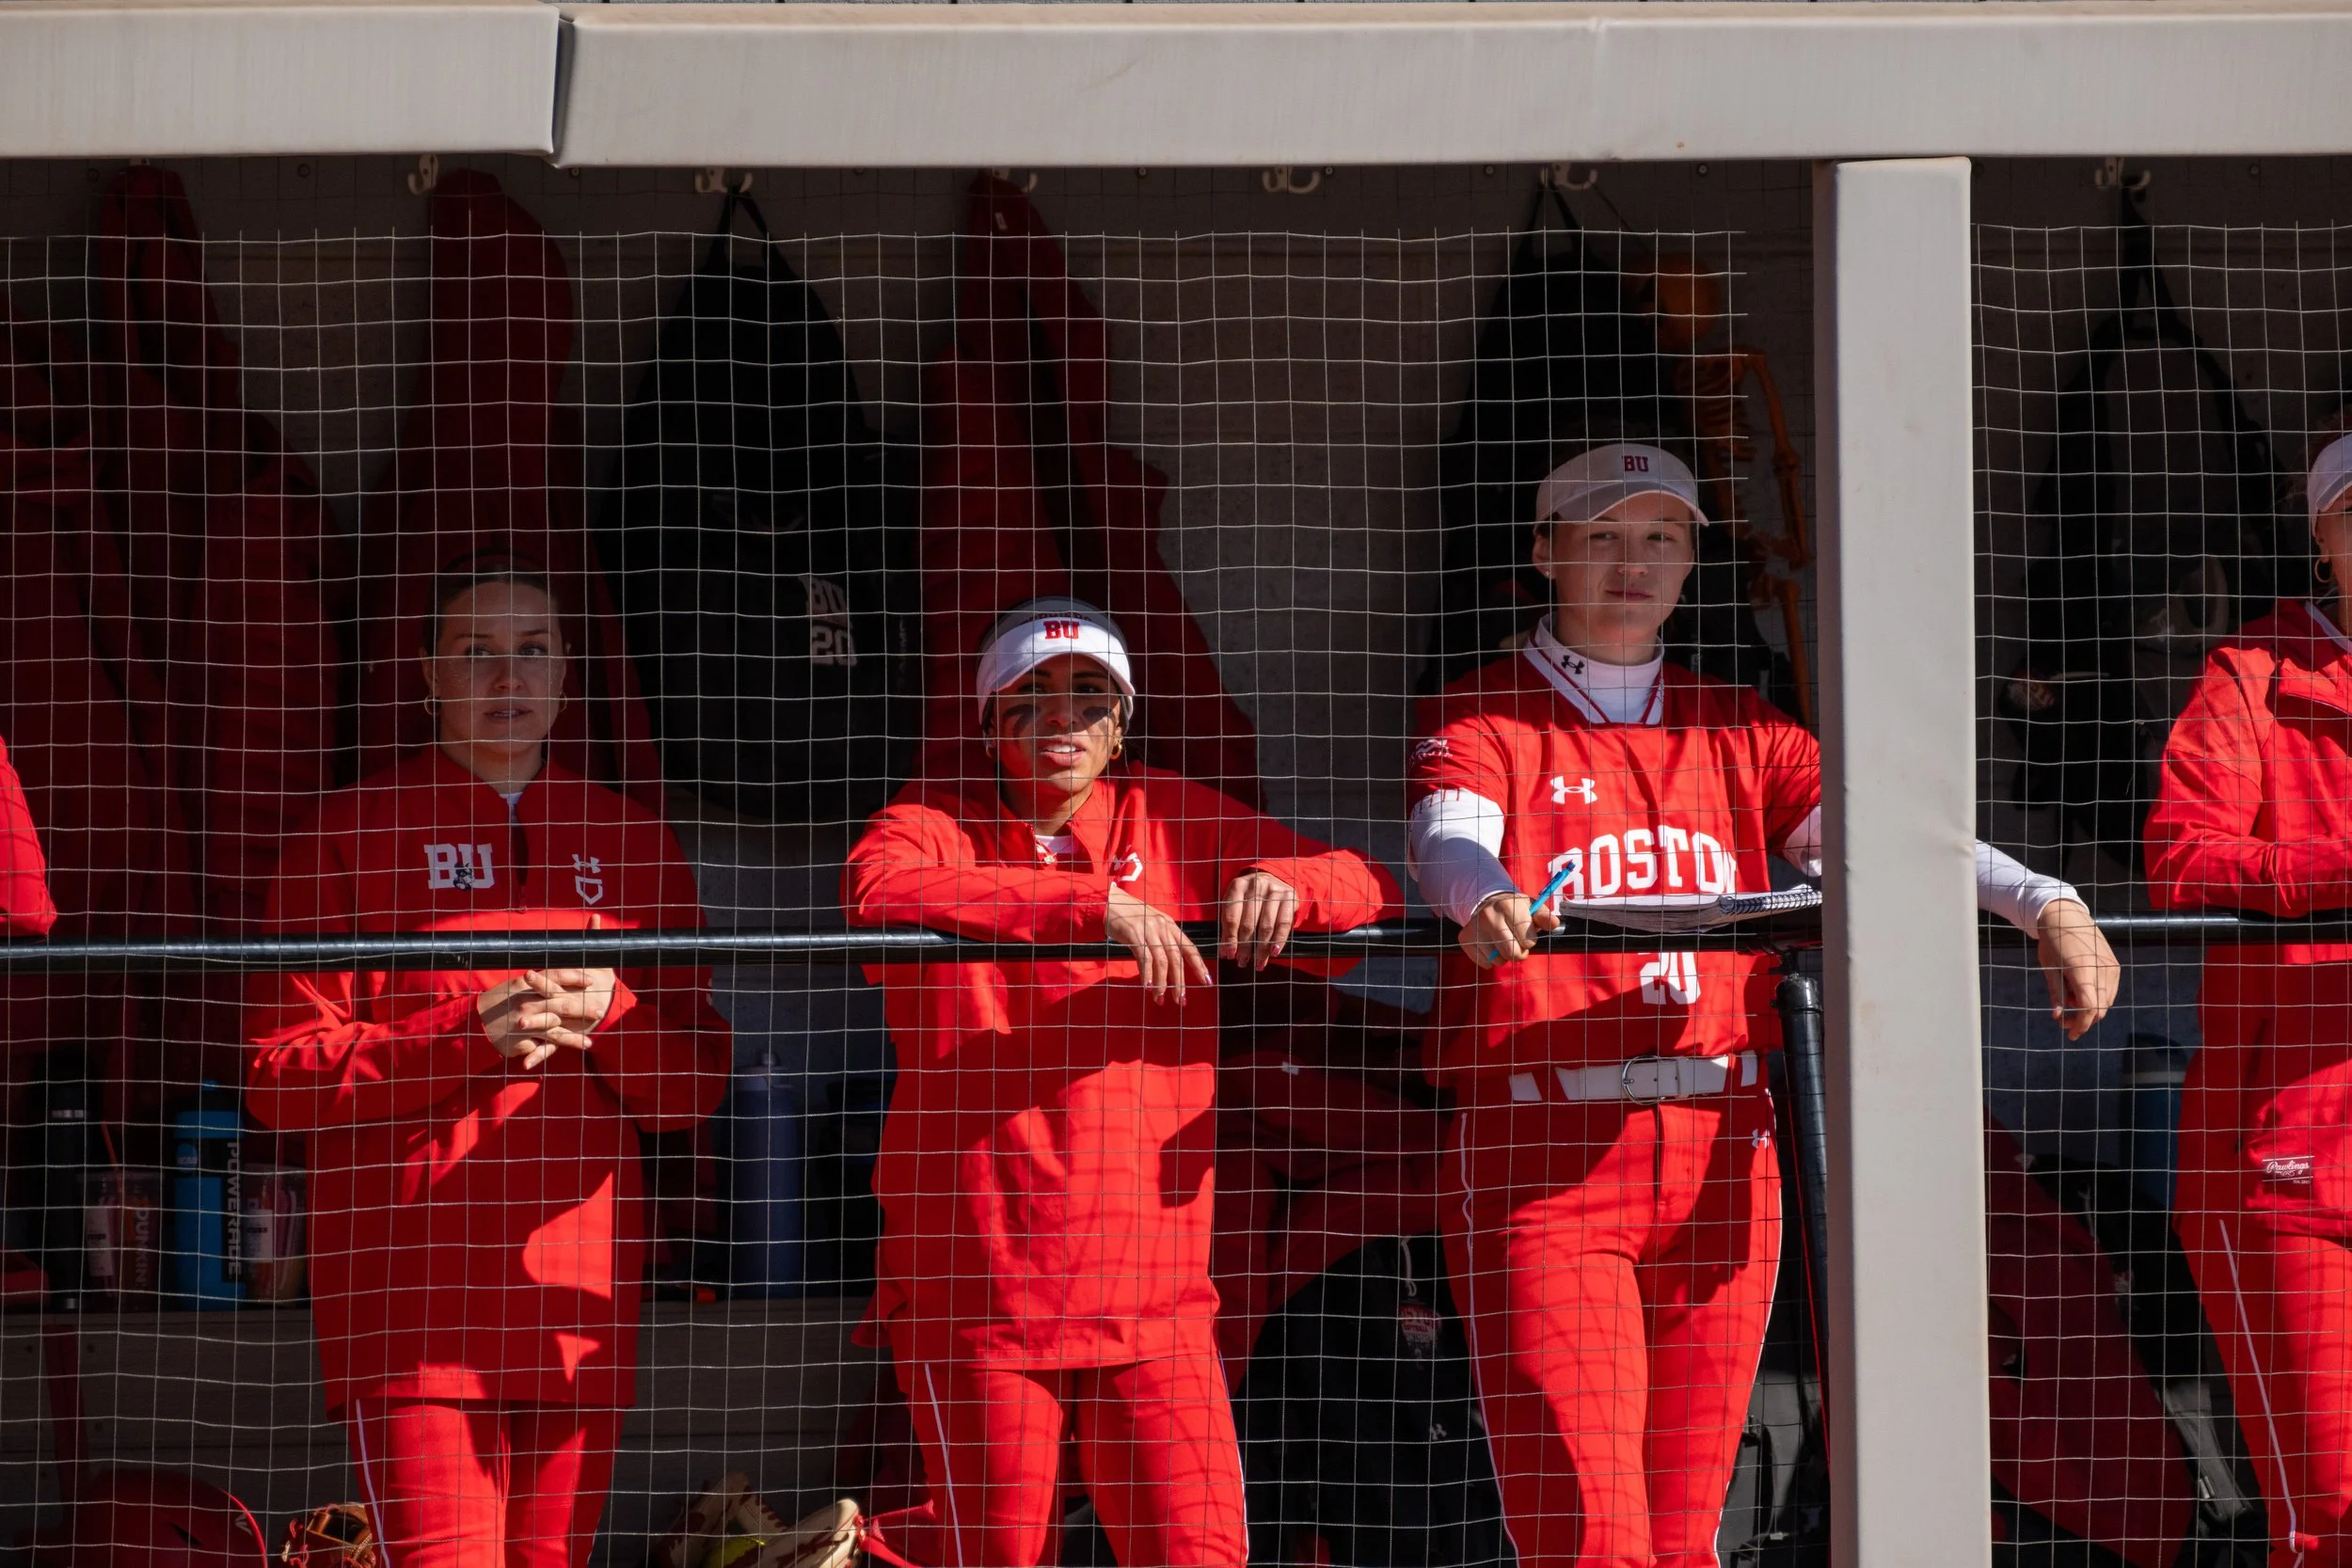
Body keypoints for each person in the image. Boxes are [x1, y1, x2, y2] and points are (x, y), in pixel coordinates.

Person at [1407, 442, 2120, 1568]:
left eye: (1660, 537)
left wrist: (2048, 902)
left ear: (1693, 561)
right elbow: (1448, 836)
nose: (1632, 562)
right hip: (1545, 1150)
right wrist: (1483, 896)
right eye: (1600, 536)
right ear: (1544, 553)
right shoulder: (1486, 715)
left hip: (1724, 1151)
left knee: (1690, 1534)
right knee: (1589, 1535)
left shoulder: (1744, 726)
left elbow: (1888, 843)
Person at [839, 597, 1401, 1568]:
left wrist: (1287, 885)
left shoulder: (1170, 813)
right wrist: (1090, 904)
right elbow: (876, 889)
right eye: (1032, 693)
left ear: (1124, 718)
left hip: (1155, 1292)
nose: (1063, 716)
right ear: (985, 718)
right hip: (982, 1288)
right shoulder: (930, 817)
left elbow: (1362, 883)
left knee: (1199, 1549)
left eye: (1090, 694)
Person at [245, 562, 728, 1568]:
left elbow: (691, 1091)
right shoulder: (343, 834)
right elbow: (278, 1075)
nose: (508, 676)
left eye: (533, 651)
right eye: (476, 652)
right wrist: (467, 1034)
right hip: (409, 1300)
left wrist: (621, 1016)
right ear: (426, 676)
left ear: (566, 677)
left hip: (578, 1298)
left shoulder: (633, 842)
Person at [2147, 428, 2352, 1568]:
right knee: (2328, 1511)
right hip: (2284, 1140)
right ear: (2320, 535)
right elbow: (2180, 858)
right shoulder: (2251, 672)